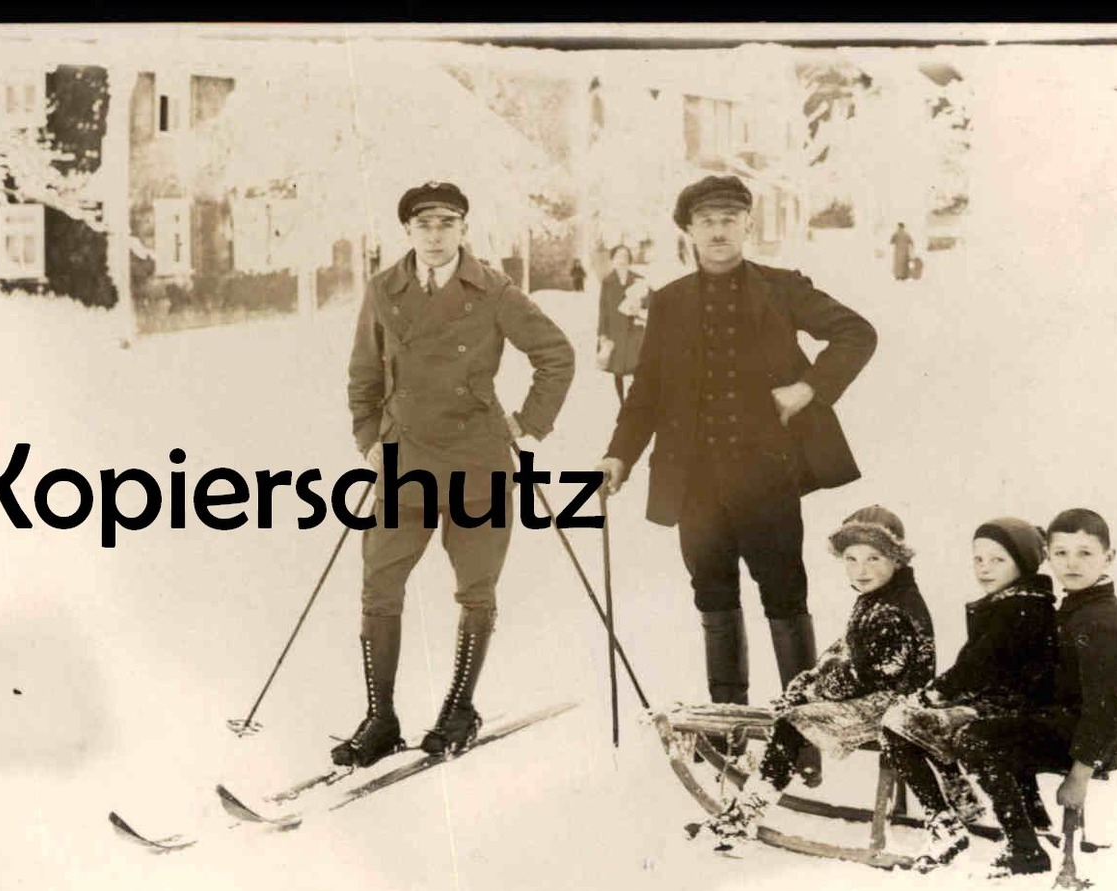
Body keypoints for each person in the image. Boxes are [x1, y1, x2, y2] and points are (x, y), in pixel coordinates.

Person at [593, 175, 877, 786]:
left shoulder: (781, 289)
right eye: (707, 220)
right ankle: (728, 732)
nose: (719, 231)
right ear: (689, 231)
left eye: (730, 218)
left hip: (768, 478)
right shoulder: (666, 302)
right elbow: (645, 394)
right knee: (714, 600)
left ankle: (803, 739)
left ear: (748, 225)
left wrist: (808, 389)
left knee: (784, 599)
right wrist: (618, 456)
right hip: (694, 483)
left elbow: (857, 333)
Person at [333, 181, 575, 767]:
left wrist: (528, 425)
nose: (435, 235)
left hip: (477, 458)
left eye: (447, 223)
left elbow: (556, 354)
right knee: (380, 585)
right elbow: (364, 375)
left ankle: (459, 707)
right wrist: (370, 440)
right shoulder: (384, 288)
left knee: (475, 588)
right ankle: (380, 718)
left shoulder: (491, 289)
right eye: (424, 224)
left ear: (463, 228)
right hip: (403, 458)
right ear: (408, 231)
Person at [693, 505, 934, 852]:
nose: (860, 570)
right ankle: (752, 798)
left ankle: (749, 810)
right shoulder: (877, 598)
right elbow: (843, 653)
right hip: (879, 702)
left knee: (795, 724)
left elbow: (865, 674)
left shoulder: (893, 609)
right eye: (851, 559)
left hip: (893, 710)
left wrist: (814, 692)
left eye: (873, 559)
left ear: (897, 559)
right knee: (797, 711)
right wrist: (809, 681)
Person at [951, 508, 1117, 877]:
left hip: (1089, 738)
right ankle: (1035, 822)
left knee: (975, 741)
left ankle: (1024, 850)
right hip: (1066, 723)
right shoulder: (1078, 604)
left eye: (1085, 553)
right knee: (994, 725)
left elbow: (1106, 707)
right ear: (1048, 555)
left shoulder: (1101, 621)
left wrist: (1079, 775)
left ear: (1109, 557)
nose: (1071, 563)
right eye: (1061, 553)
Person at [875, 517, 1057, 869]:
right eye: (978, 559)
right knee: (920, 722)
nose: (984, 569)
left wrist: (930, 695)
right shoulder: (1020, 601)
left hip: (1007, 709)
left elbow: (977, 666)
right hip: (1003, 703)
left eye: (997, 560)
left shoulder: (1018, 608)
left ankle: (945, 820)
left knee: (895, 724)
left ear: (1023, 562)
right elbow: (977, 666)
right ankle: (984, 809)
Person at [595, 245, 648, 404]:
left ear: (629, 260)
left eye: (625, 256)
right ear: (613, 260)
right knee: (618, 370)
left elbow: (650, 301)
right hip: (615, 332)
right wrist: (602, 334)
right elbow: (603, 309)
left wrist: (640, 309)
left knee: (637, 367)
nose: (621, 260)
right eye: (618, 256)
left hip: (635, 330)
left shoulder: (638, 280)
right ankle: (622, 403)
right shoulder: (608, 282)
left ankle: (635, 401)